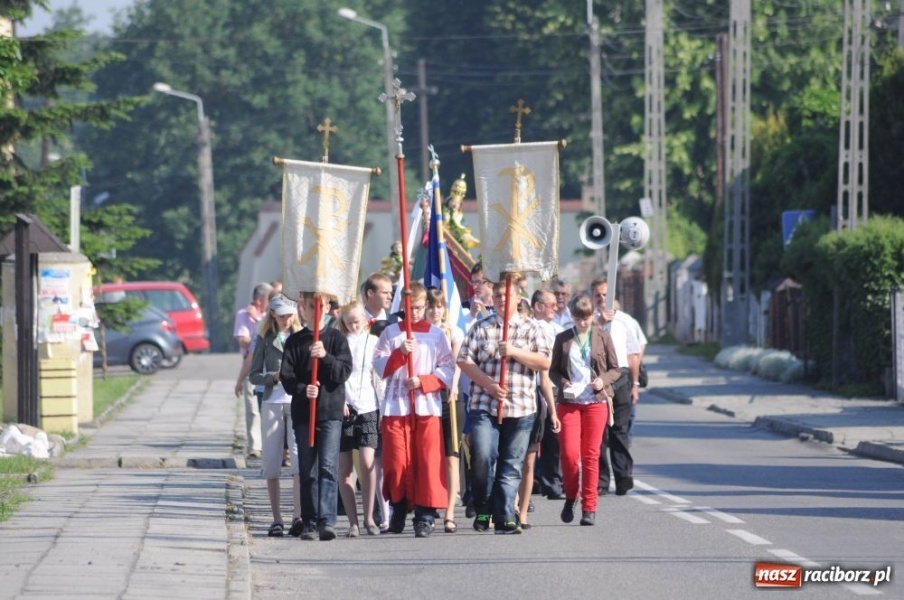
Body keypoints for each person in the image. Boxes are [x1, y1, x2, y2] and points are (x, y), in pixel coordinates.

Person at [458, 279, 551, 535]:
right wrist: (488, 384)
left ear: (518, 297)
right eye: (497, 295)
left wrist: (514, 351)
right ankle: (484, 505)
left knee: (511, 464)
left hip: (521, 407)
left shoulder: (532, 328)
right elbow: (464, 360)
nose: (501, 299)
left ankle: (506, 515)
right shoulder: (481, 327)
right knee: (483, 456)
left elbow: (543, 362)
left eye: (506, 295)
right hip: (485, 405)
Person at [373, 282, 454, 538]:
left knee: (427, 461)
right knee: (397, 462)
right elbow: (378, 365)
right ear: (404, 308)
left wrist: (424, 381)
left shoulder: (436, 334)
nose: (416, 313)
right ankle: (398, 506)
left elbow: (448, 368)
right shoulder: (391, 333)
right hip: (397, 407)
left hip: (426, 406)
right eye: (412, 308)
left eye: (420, 308)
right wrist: (399, 353)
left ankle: (425, 515)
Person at [280, 291, 353, 541]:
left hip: (330, 411)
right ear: (304, 308)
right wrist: (303, 389)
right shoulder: (295, 341)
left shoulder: (336, 338)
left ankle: (327, 520)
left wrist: (326, 357)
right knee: (308, 468)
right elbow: (287, 376)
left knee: (328, 466)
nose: (317, 311)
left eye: (322, 306)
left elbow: (343, 372)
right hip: (304, 413)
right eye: (312, 306)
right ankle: (309, 520)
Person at [548, 294, 621, 526]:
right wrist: (563, 383)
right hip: (569, 403)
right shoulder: (563, 339)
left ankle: (589, 507)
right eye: (578, 318)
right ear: (572, 316)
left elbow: (615, 369)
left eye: (586, 318)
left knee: (591, 455)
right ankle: (571, 497)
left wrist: (603, 380)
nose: (582, 323)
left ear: (592, 316)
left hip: (595, 403)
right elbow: (553, 371)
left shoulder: (602, 336)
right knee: (569, 455)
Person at [248, 294, 302, 537]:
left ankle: (298, 516)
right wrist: (273, 376)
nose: (286, 320)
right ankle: (277, 517)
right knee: (271, 462)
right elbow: (254, 375)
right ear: (272, 315)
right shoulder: (265, 338)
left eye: (290, 315)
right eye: (281, 316)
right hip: (272, 401)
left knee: (299, 461)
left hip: (296, 401)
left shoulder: (301, 336)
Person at [590, 279, 642, 496]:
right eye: (598, 295)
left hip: (620, 377)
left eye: (605, 294)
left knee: (619, 430)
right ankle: (602, 481)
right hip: (598, 378)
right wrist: (599, 323)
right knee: (600, 433)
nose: (602, 299)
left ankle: (623, 476)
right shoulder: (589, 320)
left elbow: (633, 355)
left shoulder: (624, 321)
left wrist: (635, 384)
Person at [335, 301, 381, 537]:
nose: (354, 326)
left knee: (367, 461)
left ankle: (369, 516)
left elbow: (381, 372)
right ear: (343, 321)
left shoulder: (374, 342)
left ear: (365, 319)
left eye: (357, 321)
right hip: (345, 407)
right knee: (345, 467)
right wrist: (340, 400)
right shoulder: (338, 342)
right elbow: (335, 375)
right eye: (349, 322)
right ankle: (352, 522)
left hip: (369, 406)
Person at [516, 289, 560, 529]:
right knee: (508, 459)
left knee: (529, 461)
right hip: (509, 398)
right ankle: (506, 504)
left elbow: (544, 375)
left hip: (533, 400)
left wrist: (552, 411)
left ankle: (522, 511)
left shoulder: (539, 333)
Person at [425, 287, 465, 533]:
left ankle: (450, 512)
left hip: (449, 396)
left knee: (452, 456)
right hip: (425, 397)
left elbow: (457, 363)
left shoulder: (454, 331)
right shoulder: (421, 333)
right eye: (430, 306)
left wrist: (454, 386)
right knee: (430, 455)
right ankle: (429, 505)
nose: (435, 311)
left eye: (439, 306)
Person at [531, 289, 566, 500]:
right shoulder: (528, 327)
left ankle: (553, 482)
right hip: (532, 387)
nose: (556, 308)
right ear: (538, 306)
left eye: (556, 305)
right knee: (533, 436)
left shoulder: (559, 331)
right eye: (551, 305)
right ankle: (534, 479)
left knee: (554, 438)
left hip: (552, 387)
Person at [234, 282, 273, 458]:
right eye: (267, 300)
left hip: (270, 365)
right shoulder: (243, 315)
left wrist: (258, 322)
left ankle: (270, 445)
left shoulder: (269, 316)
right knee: (252, 406)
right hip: (252, 363)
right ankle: (254, 446)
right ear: (259, 300)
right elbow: (243, 340)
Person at [443, 173, 479, 250]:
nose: (454, 205)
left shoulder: (459, 216)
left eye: (457, 203)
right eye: (453, 202)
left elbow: (464, 226)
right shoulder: (444, 213)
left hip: (457, 242)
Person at [463, 262, 494, 331]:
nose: (474, 287)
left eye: (478, 282)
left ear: (491, 281)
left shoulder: (502, 305)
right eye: (473, 282)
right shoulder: (466, 306)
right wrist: (471, 316)